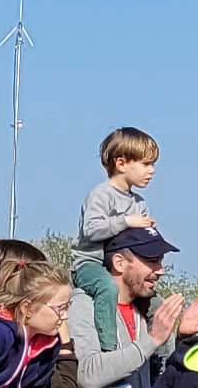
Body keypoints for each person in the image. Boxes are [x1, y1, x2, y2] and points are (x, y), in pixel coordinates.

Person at [69, 227, 198, 388]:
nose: (160, 270)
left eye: (160, 261)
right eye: (152, 261)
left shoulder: (145, 311)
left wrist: (183, 339)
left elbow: (163, 382)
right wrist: (152, 339)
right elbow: (87, 376)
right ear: (119, 262)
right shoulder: (84, 304)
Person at [67, 126, 164, 339]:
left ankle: (161, 357)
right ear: (121, 163)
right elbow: (91, 230)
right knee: (107, 289)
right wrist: (127, 221)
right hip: (91, 263)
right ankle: (108, 343)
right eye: (146, 164)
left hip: (118, 265)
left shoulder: (139, 203)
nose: (152, 170)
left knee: (157, 304)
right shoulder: (101, 195)